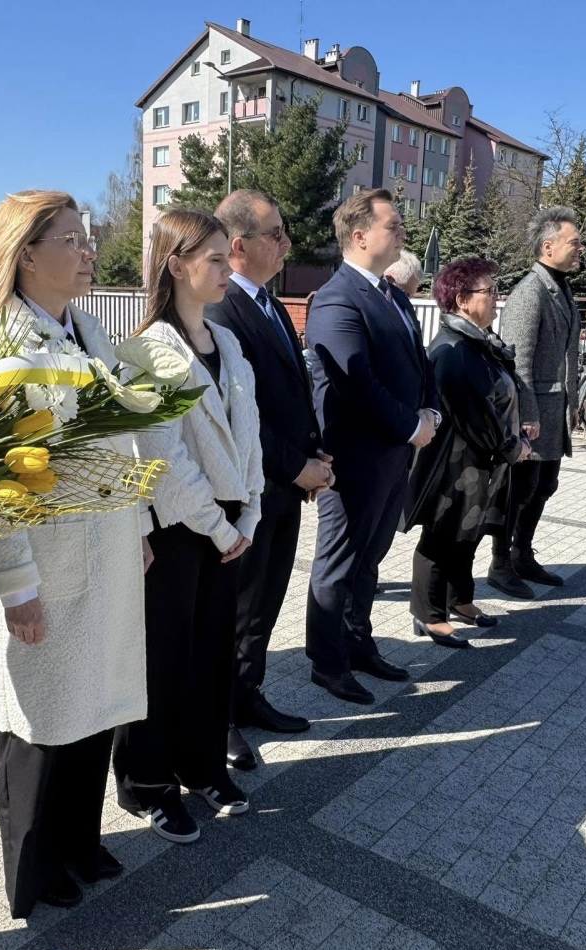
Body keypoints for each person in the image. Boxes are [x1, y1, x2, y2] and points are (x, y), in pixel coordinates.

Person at [0, 190, 148, 919]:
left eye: (86, 236)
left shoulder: (91, 331)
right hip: (47, 562)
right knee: (41, 723)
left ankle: (79, 841)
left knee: (93, 708)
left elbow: (120, 442)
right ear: (24, 254)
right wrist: (13, 585)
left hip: (105, 551)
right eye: (69, 239)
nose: (87, 250)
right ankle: (32, 870)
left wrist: (136, 533)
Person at [114, 209, 264, 844]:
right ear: (175, 264)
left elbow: (248, 434)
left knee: (211, 653)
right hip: (180, 527)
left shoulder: (226, 343)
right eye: (213, 259)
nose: (227, 269)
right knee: (163, 657)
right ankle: (149, 783)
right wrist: (217, 526)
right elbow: (162, 459)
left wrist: (249, 509)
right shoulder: (147, 349)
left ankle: (202, 764)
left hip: (229, 520)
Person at [206, 190, 327, 773]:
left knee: (265, 604)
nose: (286, 243)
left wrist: (313, 449)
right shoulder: (221, 310)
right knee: (235, 608)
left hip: (284, 487)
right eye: (276, 233)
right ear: (238, 246)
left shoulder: (274, 306)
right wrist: (293, 463)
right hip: (248, 492)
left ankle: (249, 694)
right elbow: (240, 417)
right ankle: (220, 717)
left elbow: (289, 395)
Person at [304, 189, 439, 706]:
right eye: (394, 225)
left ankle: (359, 643)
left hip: (394, 454)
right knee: (339, 562)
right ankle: (327, 661)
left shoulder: (393, 294)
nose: (403, 232)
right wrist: (410, 425)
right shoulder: (338, 298)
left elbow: (420, 364)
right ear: (360, 236)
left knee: (370, 559)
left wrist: (430, 412)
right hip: (355, 458)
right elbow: (355, 382)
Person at [402, 258, 530, 646]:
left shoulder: (477, 343)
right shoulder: (454, 349)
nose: (497, 298)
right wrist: (511, 447)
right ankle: (427, 613)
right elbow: (475, 414)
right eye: (489, 291)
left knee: (468, 533)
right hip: (454, 466)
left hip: (480, 464)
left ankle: (460, 600)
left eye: (495, 290)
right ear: (461, 299)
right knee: (442, 536)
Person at [486, 206, 582, 600]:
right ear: (548, 246)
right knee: (519, 490)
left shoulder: (560, 285)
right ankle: (500, 565)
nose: (581, 249)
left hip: (552, 410)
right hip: (533, 414)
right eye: (574, 243)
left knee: (545, 486)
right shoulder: (531, 291)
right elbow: (517, 359)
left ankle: (522, 554)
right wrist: (526, 415)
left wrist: (571, 402)